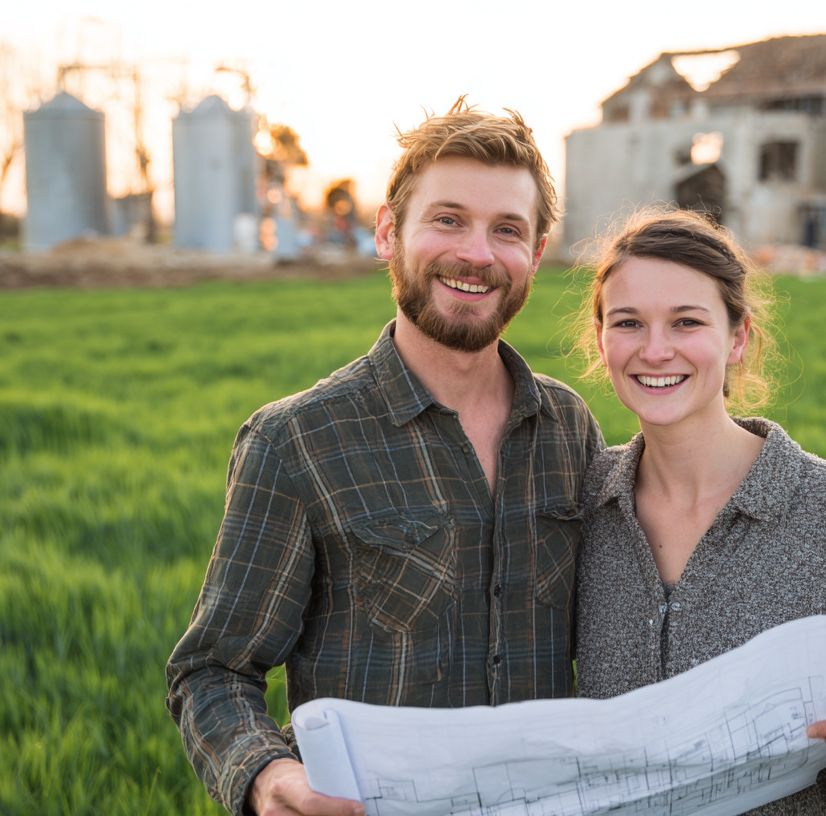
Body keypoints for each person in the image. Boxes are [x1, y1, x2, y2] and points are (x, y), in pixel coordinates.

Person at [165, 99, 603, 816]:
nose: (477, 254)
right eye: (448, 220)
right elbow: (212, 670)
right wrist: (268, 776)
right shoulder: (296, 442)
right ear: (388, 233)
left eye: (507, 230)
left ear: (536, 252)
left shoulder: (568, 429)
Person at [573, 208, 826, 814]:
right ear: (602, 338)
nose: (655, 349)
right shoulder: (583, 503)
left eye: (686, 321)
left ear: (738, 338)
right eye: (628, 323)